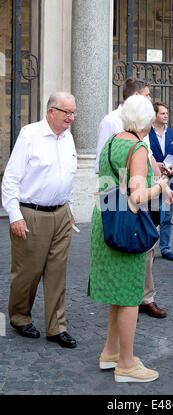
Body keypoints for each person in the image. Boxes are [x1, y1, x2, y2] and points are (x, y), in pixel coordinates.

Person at [88, 95, 173, 382]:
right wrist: (161, 185)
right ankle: (126, 364)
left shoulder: (113, 141)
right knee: (128, 297)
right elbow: (137, 196)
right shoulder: (137, 147)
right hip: (128, 226)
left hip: (105, 221)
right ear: (148, 121)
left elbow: (111, 185)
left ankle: (110, 352)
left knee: (117, 291)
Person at [1, 92, 78, 348]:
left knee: (57, 273)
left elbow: (68, 174)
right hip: (31, 214)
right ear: (51, 111)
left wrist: (70, 207)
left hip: (61, 214)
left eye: (73, 112)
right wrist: (14, 215)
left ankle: (57, 327)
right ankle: (20, 317)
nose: (71, 117)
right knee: (28, 273)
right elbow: (11, 178)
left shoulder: (68, 138)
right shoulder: (30, 135)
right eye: (66, 112)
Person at [95, 78, 167, 319]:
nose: (150, 98)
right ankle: (134, 301)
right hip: (127, 205)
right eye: (147, 95)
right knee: (130, 266)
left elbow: (145, 160)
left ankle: (145, 297)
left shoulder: (132, 135)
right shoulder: (112, 126)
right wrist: (156, 189)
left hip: (137, 201)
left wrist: (159, 182)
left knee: (146, 252)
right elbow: (105, 166)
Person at [149, 102, 173, 261]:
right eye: (162, 113)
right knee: (152, 213)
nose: (166, 116)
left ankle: (166, 248)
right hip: (153, 180)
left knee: (168, 216)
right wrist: (155, 165)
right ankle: (150, 248)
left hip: (170, 179)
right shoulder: (147, 134)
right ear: (155, 115)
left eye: (166, 113)